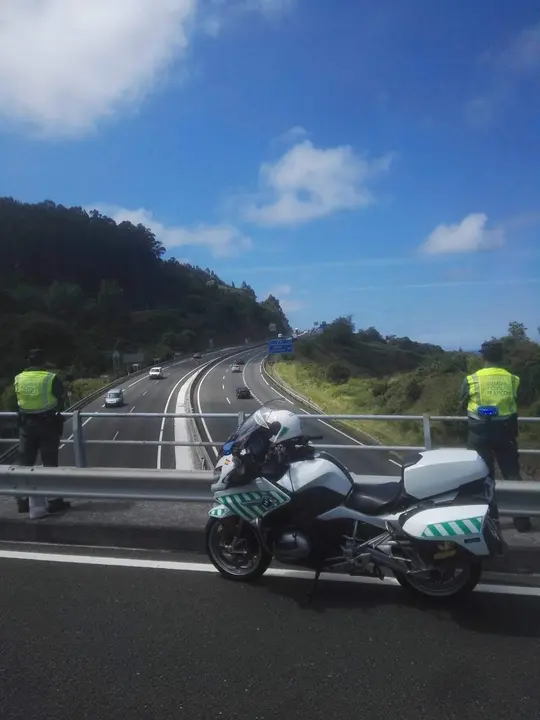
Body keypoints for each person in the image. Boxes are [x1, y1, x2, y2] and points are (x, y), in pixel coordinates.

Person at [460, 339, 530, 532]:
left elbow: (462, 403)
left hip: (479, 432)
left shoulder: (471, 379)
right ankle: (522, 520)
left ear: (482, 356)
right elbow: (517, 402)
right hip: (506, 430)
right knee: (511, 473)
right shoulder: (512, 379)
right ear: (502, 357)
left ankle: (492, 519)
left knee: (483, 475)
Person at [14, 349, 71, 519]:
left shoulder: (19, 378)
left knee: (24, 463)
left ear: (28, 362)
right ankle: (54, 501)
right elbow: (61, 398)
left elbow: (18, 400)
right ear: (43, 362)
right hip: (48, 424)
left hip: (26, 425)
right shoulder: (50, 378)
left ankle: (22, 501)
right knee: (50, 464)